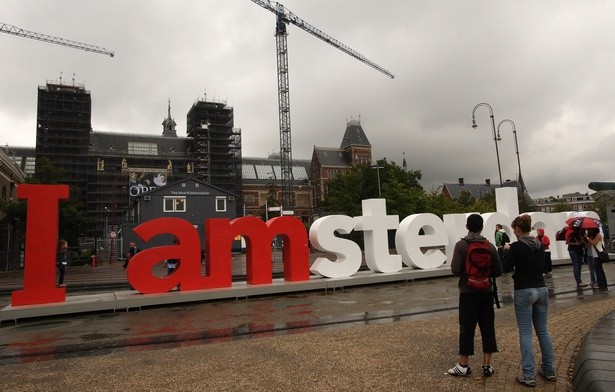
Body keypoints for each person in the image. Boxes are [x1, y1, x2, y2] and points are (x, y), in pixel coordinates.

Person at [502, 214, 556, 387]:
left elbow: (506, 268)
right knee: (543, 331)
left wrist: (507, 252)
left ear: (518, 229)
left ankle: (528, 374)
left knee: (525, 333)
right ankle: (548, 369)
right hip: (541, 288)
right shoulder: (539, 245)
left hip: (524, 290)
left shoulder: (517, 247)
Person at [447, 214, 503, 377]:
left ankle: (463, 365)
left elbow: (455, 270)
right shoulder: (490, 246)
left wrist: (469, 274)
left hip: (468, 292)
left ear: (467, 227)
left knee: (466, 328)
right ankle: (487, 365)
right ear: (482, 227)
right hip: (486, 292)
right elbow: (498, 271)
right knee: (487, 327)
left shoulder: (461, 245)